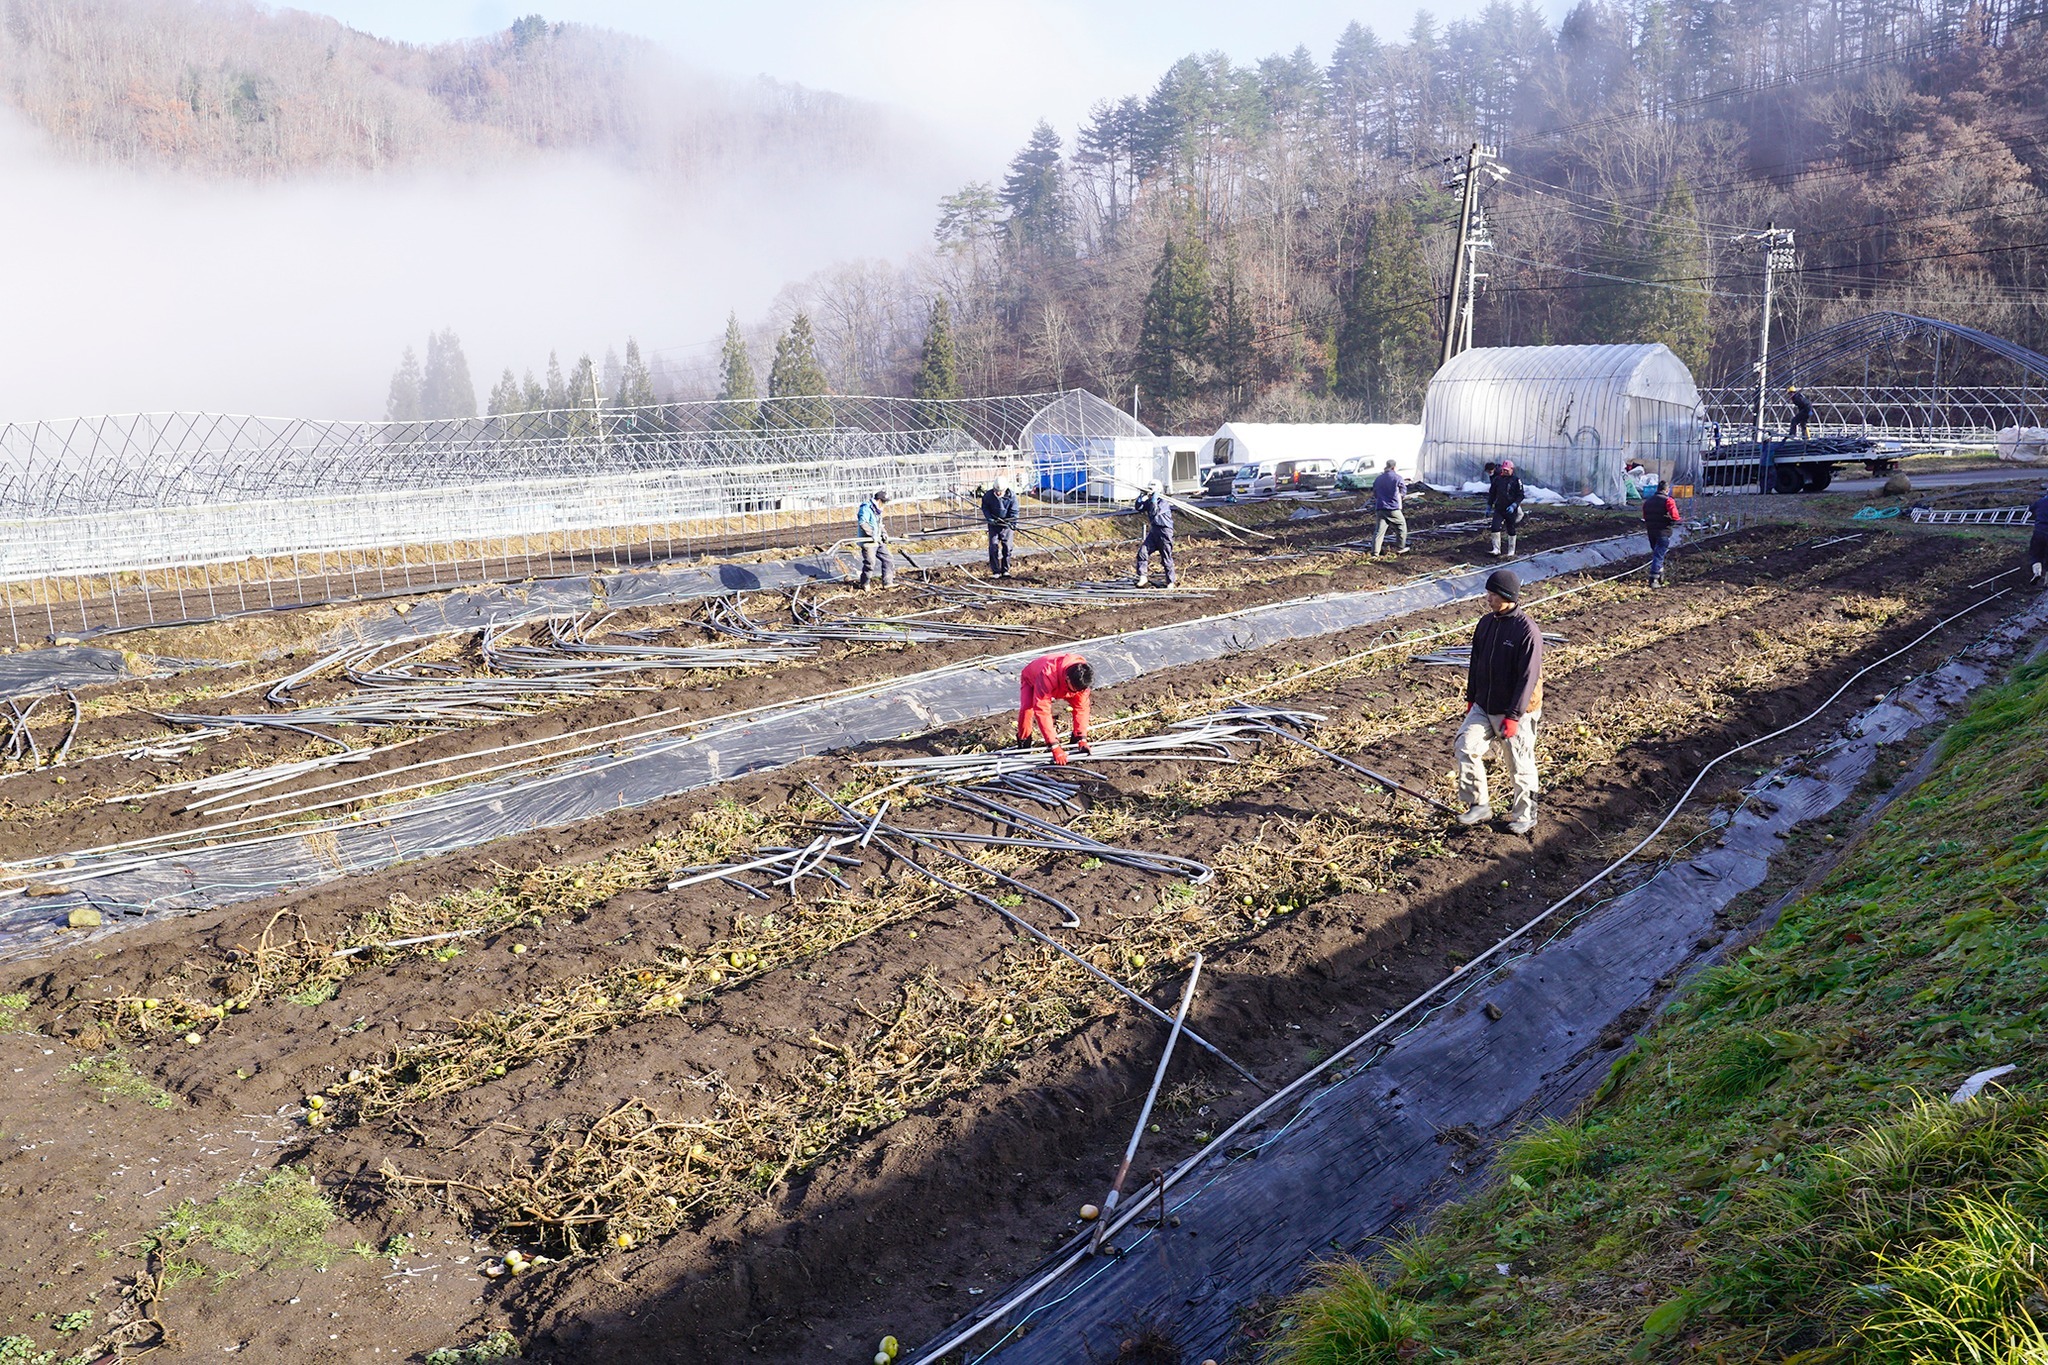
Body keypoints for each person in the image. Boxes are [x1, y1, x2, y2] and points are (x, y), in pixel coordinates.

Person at [1456, 569, 1544, 835]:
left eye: (1493, 594)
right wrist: (1472, 698)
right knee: (1465, 746)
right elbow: (1476, 663)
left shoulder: (1526, 631)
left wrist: (1514, 716)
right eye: (1488, 593)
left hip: (1516, 709)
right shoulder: (1486, 624)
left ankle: (1525, 815)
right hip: (1484, 704)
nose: (1488, 598)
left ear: (1508, 596)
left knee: (1519, 763)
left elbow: (1528, 678)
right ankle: (1479, 803)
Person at [1017, 652, 1094, 765]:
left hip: (1062, 684)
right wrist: (1054, 745)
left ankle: (1076, 741)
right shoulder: (1047, 674)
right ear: (1068, 679)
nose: (1079, 692)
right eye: (1076, 690)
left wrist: (1082, 738)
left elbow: (1082, 709)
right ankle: (1024, 745)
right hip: (1032, 679)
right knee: (1027, 708)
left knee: (1080, 704)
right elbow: (1042, 710)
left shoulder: (1082, 678)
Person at [1134, 480, 1177, 587]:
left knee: (1166, 557)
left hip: (1165, 532)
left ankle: (1170, 582)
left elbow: (1155, 512)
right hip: (1154, 531)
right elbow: (1139, 508)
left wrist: (1154, 498)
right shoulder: (1150, 501)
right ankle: (1143, 577)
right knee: (1142, 552)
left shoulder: (1164, 502)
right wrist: (1141, 497)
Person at [1642, 479, 1683, 588]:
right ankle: (1654, 578)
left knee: (1656, 553)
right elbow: (1675, 516)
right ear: (1667, 490)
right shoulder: (1668, 501)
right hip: (1663, 531)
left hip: (1651, 531)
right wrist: (1675, 521)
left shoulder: (1648, 501)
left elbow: (1645, 516)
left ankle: (1660, 575)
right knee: (1659, 554)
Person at [979, 479, 1019, 578]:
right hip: (994, 525)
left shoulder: (1012, 497)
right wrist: (989, 518)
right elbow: (985, 508)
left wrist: (1011, 523)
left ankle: (1005, 570)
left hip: (1006, 526)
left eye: (1000, 491)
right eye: (996, 490)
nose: (998, 493)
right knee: (993, 547)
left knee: (1007, 547)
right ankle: (996, 571)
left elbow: (1014, 512)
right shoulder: (988, 496)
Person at [1487, 458, 1526, 558]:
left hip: (1510, 508)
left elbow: (1520, 495)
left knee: (1511, 528)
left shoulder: (1516, 480)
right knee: (1495, 527)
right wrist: (1489, 505)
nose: (1504, 472)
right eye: (1503, 470)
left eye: (1506, 470)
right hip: (1499, 508)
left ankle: (1511, 550)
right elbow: (1492, 493)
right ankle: (1496, 549)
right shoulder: (1497, 480)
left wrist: (1514, 505)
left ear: (1512, 470)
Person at [855, 489, 893, 589]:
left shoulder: (877, 510)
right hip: (869, 542)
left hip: (878, 540)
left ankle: (888, 583)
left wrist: (884, 533)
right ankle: (865, 583)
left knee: (888, 559)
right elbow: (863, 523)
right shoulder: (866, 508)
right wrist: (872, 535)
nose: (885, 504)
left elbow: (879, 524)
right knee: (870, 564)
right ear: (879, 500)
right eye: (884, 502)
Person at [1371, 459, 1409, 556]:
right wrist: (1400, 497)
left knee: (1379, 531)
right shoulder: (1397, 477)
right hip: (1393, 508)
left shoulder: (1378, 479)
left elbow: (1375, 493)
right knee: (1401, 526)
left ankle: (1375, 553)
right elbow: (1403, 491)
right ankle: (1400, 547)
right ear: (1394, 467)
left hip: (1380, 507)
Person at [2030, 485, 2048, 586]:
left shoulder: (2040, 502)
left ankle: (2037, 572)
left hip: (2039, 532)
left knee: (2036, 555)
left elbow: (2031, 509)